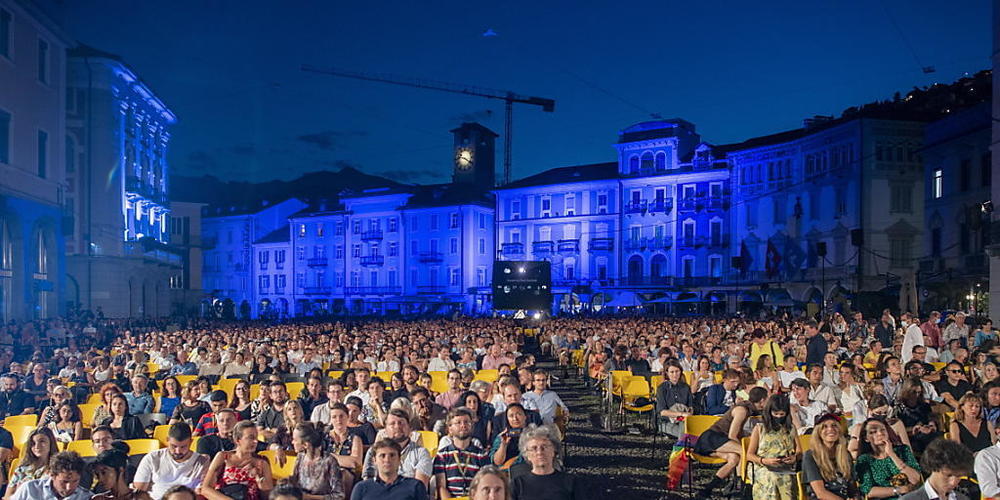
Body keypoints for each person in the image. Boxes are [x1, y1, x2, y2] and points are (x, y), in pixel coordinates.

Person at [693, 386, 768, 494]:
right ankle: (741, 485)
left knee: (734, 458)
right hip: (712, 438)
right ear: (762, 400)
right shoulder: (742, 410)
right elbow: (732, 435)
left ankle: (708, 489)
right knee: (744, 451)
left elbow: (738, 433)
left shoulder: (747, 408)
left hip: (718, 440)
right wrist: (742, 445)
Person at [134, 423, 211, 500]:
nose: (178, 451)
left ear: (191, 442)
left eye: (183, 447)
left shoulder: (201, 462)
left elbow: (200, 494)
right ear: (167, 440)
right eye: (174, 446)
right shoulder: (152, 458)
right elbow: (139, 492)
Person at [201, 421, 274, 500]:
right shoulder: (223, 457)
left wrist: (261, 485)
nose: (255, 441)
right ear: (237, 440)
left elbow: (268, 497)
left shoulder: (262, 462)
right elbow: (205, 489)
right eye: (250, 437)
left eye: (256, 437)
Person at [746, 394, 800, 500]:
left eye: (782, 414)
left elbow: (799, 450)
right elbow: (749, 455)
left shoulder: (791, 429)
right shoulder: (759, 429)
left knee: (787, 480)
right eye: (776, 414)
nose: (779, 417)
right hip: (762, 466)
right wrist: (764, 460)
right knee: (772, 478)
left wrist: (795, 457)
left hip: (784, 467)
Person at [361, 409, 432, 489]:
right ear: (385, 429)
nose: (397, 426)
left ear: (409, 427)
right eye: (392, 424)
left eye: (401, 423)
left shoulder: (421, 453)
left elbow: (419, 489)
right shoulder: (374, 451)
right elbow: (367, 485)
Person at [854, 417, 921, 499]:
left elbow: (915, 479)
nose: (880, 433)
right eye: (873, 432)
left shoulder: (903, 450)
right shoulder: (864, 459)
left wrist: (892, 454)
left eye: (882, 430)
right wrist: (898, 490)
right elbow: (869, 491)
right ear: (866, 438)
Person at [510, 424, 582, 500]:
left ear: (554, 451)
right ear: (526, 454)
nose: (539, 452)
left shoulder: (571, 482)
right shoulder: (517, 485)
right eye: (534, 448)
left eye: (544, 447)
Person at [434, 408, 491, 499]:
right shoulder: (442, 456)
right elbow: (441, 487)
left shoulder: (481, 455)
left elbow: (485, 485)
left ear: (472, 426)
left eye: (466, 422)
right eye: (458, 423)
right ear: (450, 428)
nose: (463, 425)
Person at [802, 413, 859, 500]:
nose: (830, 429)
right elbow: (820, 493)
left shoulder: (845, 454)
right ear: (818, 432)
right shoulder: (810, 456)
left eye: (834, 425)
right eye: (824, 426)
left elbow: (852, 488)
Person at [350, 439, 428, 500]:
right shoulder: (362, 488)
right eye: (382, 456)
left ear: (399, 460)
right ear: (374, 461)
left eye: (392, 455)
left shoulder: (415, 486)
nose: (387, 460)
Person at [900, 438, 974, 500]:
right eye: (948, 475)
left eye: (958, 476)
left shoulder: (963, 498)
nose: (953, 482)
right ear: (934, 467)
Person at [289, 422, 345, 500]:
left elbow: (339, 496)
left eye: (295, 440)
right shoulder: (300, 457)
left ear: (305, 444)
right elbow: (294, 484)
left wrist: (309, 497)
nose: (292, 442)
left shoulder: (329, 461)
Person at [8, 451, 91, 500]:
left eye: (75, 481)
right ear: (52, 475)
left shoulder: (86, 497)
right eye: (64, 482)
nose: (69, 487)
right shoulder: (29, 489)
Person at [5, 427, 58, 499]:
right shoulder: (21, 470)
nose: (37, 446)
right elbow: (7, 496)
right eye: (33, 443)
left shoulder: (58, 469)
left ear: (51, 443)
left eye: (42, 441)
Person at [655, 361, 693, 438]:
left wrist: (687, 414)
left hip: (684, 420)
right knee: (685, 433)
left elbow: (691, 407)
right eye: (672, 372)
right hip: (666, 422)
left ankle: (681, 447)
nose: (675, 374)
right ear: (667, 373)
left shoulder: (686, 387)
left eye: (677, 371)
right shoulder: (661, 388)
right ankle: (683, 448)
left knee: (685, 426)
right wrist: (681, 414)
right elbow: (662, 412)